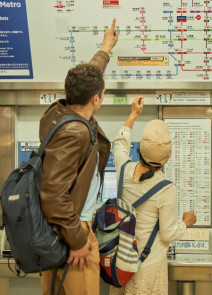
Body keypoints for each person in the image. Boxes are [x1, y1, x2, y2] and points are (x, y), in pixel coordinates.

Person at [39, 19, 118, 295]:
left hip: (61, 229)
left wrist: (105, 49)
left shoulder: (59, 114)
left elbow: (88, 77)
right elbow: (52, 193)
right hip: (72, 229)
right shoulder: (75, 133)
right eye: (102, 94)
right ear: (95, 100)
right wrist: (77, 240)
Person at [110, 97, 197, 295]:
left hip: (121, 262)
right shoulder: (165, 187)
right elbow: (167, 233)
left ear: (140, 149)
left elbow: (120, 144)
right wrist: (185, 223)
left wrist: (133, 115)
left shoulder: (124, 170)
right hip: (148, 266)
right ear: (167, 157)